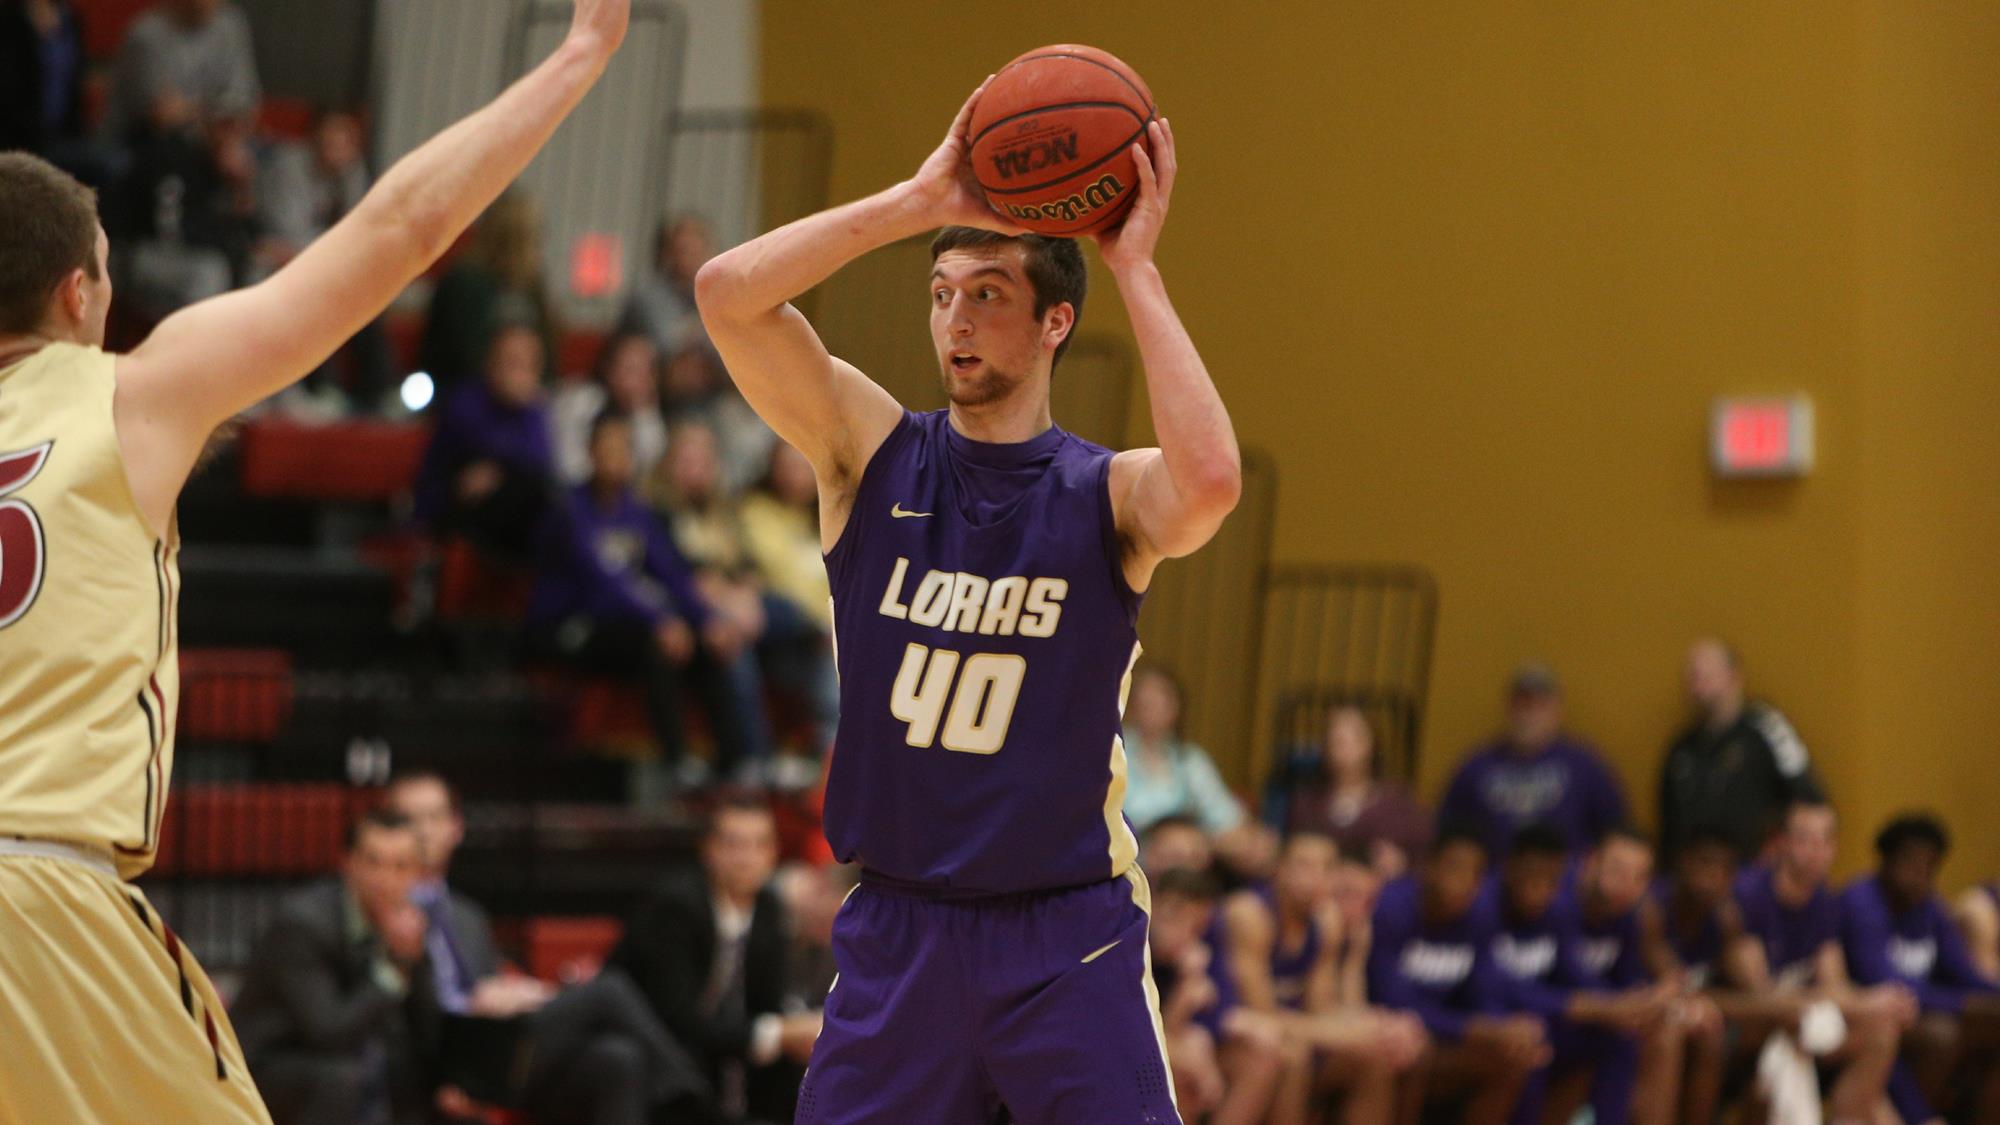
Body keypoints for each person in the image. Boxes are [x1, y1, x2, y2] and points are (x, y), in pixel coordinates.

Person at [0, 4, 629, 1119]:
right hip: (42, 899)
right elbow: (398, 227)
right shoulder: (128, 392)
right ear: (79, 294)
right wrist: (577, 59)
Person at [696, 80, 1237, 1121]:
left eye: (988, 293)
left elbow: (1210, 481)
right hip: (901, 928)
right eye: (942, 292)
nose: (956, 317)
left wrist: (1135, 267)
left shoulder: (1105, 493)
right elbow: (726, 294)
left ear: (1054, 322)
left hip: (1066, 934)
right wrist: (915, 203)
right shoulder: (869, 452)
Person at [383, 772, 707, 1124]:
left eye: (434, 817)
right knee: (609, 991)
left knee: (619, 1058)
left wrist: (513, 993)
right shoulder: (383, 906)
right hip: (445, 1056)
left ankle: (690, 1097)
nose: (424, 831)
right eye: (410, 819)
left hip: (493, 1044)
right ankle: (697, 1101)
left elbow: (489, 982)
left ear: (456, 828)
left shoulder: (467, 915)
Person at [525, 411, 768, 785]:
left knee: (707, 642)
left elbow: (672, 573)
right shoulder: (570, 510)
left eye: (624, 449)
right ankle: (677, 762)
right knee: (657, 643)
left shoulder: (638, 512)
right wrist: (662, 621)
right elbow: (603, 582)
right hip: (569, 624)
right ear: (590, 452)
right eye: (608, 448)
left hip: (625, 622)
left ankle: (736, 764)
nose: (616, 457)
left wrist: (707, 620)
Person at [607, 797, 821, 1125]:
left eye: (759, 845)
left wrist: (795, 1029)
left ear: (774, 853)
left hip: (721, 1052)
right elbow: (676, 1019)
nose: (746, 858)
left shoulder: (768, 908)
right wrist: (779, 1032)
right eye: (734, 844)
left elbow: (768, 1003)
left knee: (799, 1060)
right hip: (657, 1050)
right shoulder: (675, 906)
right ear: (708, 849)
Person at [232, 808, 432, 1125]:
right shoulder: (302, 924)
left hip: (339, 1061)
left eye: (401, 866)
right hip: (263, 1065)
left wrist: (414, 958)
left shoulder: (408, 923)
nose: (386, 879)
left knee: (418, 1071)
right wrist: (396, 967)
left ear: (419, 874)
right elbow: (328, 1033)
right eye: (373, 862)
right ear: (348, 862)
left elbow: (427, 1028)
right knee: (340, 1078)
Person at [1213, 831, 1424, 1123]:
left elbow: (1321, 1008)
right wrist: (1351, 1034)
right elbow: (1262, 1015)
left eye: (1325, 867)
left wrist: (1379, 1027)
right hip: (1230, 1033)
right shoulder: (1249, 914)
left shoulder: (1326, 922)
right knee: (1293, 1055)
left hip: (1290, 1032)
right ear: (1278, 869)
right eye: (1303, 865)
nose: (1314, 877)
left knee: (1377, 1057)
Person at [1725, 800, 1915, 1124]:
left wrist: (1877, 1003)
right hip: (1744, 1024)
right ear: (1781, 843)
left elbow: (1833, 984)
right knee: (1794, 1028)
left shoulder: (1825, 901)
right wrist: (1864, 1002)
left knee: (1881, 1030)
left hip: (1800, 1022)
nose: (1817, 851)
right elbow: (1761, 996)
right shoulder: (1747, 894)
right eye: (1805, 839)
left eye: (1826, 840)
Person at [1487, 824, 1674, 1125]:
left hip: (1544, 1016)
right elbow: (1492, 984)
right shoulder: (1485, 908)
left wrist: (1632, 1004)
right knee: (1532, 1046)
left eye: (1550, 880)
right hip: (1493, 1017)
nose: (1540, 887)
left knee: (1623, 1038)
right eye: (1618, 869)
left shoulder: (1560, 910)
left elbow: (1576, 972)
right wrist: (1596, 1007)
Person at [1366, 826, 1548, 1125]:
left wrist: (1507, 1027)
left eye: (1475, 874)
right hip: (1389, 1031)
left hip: (1446, 1033)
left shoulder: (1480, 916)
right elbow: (1392, 998)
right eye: (1454, 867)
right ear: (1428, 867)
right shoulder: (1391, 908)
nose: (1463, 881)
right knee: (1415, 1052)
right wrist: (1481, 1029)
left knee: (1518, 1057)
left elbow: (1483, 989)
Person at [1840, 812, 2000, 1125]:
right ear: (1886, 860)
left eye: (1929, 865)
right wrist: (1963, 1004)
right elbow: (1885, 985)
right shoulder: (1861, 902)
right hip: (1869, 1018)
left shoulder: (1931, 907)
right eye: (1910, 861)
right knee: (1939, 1034)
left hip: (1919, 1011)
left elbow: (1964, 973)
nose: (1919, 873)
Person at [1438, 663, 1628, 859]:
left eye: (1541, 705)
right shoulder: (1476, 766)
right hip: (1491, 875)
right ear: (1509, 708)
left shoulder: (1585, 767)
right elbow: (1447, 832)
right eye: (1523, 704)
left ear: (1557, 711)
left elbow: (1616, 832)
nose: (1530, 714)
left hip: (1566, 876)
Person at [1658, 638, 1823, 864]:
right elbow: (1668, 826)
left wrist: (1780, 850)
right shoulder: (1682, 748)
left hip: (1753, 870)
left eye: (1705, 674)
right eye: (1691, 675)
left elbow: (1809, 798)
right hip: (1695, 874)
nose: (1696, 683)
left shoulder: (1766, 728)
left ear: (1734, 676)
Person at [413, 322, 558, 561]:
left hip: (513, 517)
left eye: (527, 365)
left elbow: (541, 462)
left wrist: (500, 471)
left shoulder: (532, 410)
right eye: (511, 362)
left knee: (551, 506)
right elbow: (482, 444)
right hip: (453, 510)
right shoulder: (465, 399)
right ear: (491, 362)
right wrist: (508, 466)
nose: (518, 374)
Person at [1123, 662, 1277, 878]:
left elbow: (1225, 817)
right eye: (1144, 701)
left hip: (1188, 858)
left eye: (1159, 702)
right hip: (1129, 858)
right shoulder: (1113, 755)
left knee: (1257, 847)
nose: (1151, 709)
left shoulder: (1190, 761)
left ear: (1175, 708)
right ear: (1130, 705)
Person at [740, 439, 842, 762]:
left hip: (824, 630)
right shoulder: (756, 512)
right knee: (832, 649)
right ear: (772, 470)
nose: (794, 476)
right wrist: (825, 622)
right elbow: (782, 578)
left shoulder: (829, 515)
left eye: (802, 467)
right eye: (786, 467)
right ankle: (832, 750)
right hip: (781, 636)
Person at [419, 190, 561, 392]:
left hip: (525, 395)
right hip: (464, 393)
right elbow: (460, 356)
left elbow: (548, 353)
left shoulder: (534, 284)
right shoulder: (466, 281)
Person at [1277, 703, 1433, 878]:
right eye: (1336, 738)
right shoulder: (1305, 802)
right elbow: (1286, 854)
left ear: (1372, 743)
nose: (1344, 745)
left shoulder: (1399, 803)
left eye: (1354, 737)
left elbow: (1426, 860)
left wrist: (1402, 864)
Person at [552, 330, 667, 485]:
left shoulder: (645, 411)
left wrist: (643, 412)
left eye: (647, 370)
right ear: (609, 368)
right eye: (631, 368)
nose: (641, 378)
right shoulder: (579, 400)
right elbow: (568, 466)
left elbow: (651, 463)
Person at [619, 214, 712, 356]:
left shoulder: (712, 293)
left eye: (695, 252)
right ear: (667, 253)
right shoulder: (648, 297)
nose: (688, 260)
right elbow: (669, 344)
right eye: (683, 251)